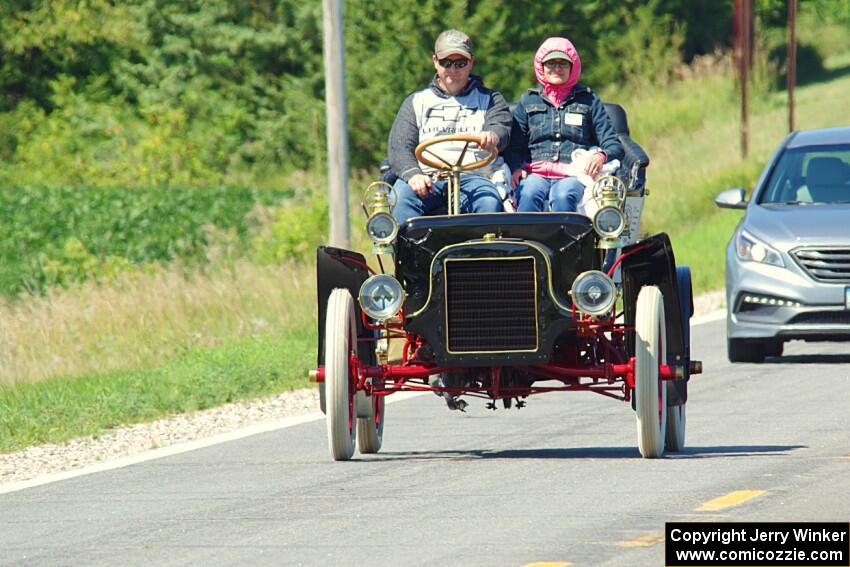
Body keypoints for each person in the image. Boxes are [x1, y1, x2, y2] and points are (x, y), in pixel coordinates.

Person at [387, 29, 512, 224]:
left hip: (473, 176)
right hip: (427, 177)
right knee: (400, 200)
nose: (453, 70)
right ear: (435, 62)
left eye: (460, 63)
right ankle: (408, 254)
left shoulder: (490, 99)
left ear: (471, 63)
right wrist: (413, 175)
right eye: (446, 63)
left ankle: (480, 253)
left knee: (488, 201)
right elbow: (400, 146)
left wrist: (493, 136)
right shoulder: (416, 101)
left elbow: (500, 126)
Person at [505, 37, 624, 213]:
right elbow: (513, 146)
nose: (557, 69)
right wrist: (515, 168)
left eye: (563, 64)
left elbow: (613, 144)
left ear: (573, 67)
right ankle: (525, 240)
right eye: (551, 63)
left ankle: (568, 241)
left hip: (573, 174)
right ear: (541, 66)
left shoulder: (589, 100)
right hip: (535, 174)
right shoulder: (528, 100)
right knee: (528, 193)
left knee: (563, 195)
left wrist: (600, 156)